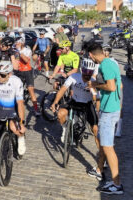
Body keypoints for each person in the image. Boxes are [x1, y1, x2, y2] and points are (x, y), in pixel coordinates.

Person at [86, 43, 123, 194]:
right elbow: (119, 87)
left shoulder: (105, 66)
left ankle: (117, 184)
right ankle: (99, 170)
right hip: (111, 109)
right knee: (104, 144)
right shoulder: (110, 62)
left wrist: (95, 84)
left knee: (108, 148)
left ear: (91, 55)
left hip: (109, 112)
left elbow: (112, 87)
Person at [50, 58, 98, 144]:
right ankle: (65, 129)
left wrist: (92, 89)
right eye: (85, 71)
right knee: (60, 114)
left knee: (95, 129)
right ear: (81, 70)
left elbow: (95, 99)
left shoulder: (93, 81)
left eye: (90, 72)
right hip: (75, 101)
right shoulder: (74, 77)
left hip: (87, 104)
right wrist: (55, 102)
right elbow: (63, 89)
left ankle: (101, 153)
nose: (87, 74)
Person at [14, 37, 40, 116]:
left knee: (31, 90)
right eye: (15, 43)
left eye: (17, 43)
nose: (16, 44)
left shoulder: (27, 50)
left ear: (22, 43)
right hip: (18, 72)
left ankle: (36, 108)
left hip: (27, 71)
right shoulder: (14, 50)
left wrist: (19, 52)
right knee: (16, 91)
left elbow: (26, 60)